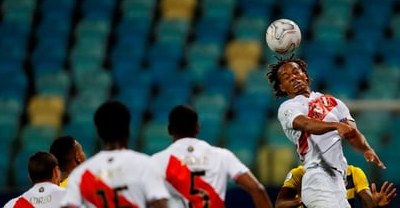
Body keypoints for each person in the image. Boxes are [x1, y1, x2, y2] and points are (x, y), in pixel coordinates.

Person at [265, 56, 386, 207]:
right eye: (286, 77)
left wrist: (366, 149)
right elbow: (307, 124)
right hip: (317, 177)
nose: (293, 78)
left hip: (340, 181)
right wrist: (335, 125)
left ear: (306, 76)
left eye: (296, 72)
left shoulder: (334, 102)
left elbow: (351, 132)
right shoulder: (288, 108)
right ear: (282, 87)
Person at [151, 104, 273, 208]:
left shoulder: (157, 161)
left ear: (169, 130)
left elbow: (149, 198)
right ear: (197, 127)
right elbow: (257, 189)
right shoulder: (222, 156)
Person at [60, 100, 170, 208]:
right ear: (128, 130)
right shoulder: (146, 165)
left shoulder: (80, 174)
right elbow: (161, 204)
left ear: (99, 133)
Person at [275, 164, 397, 208]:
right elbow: (280, 204)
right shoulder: (299, 174)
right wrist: (302, 200)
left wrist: (374, 205)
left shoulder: (354, 173)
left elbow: (369, 205)